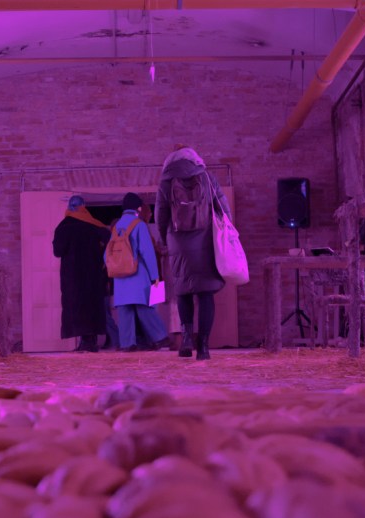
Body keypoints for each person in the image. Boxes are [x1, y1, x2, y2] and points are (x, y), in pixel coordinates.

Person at [154, 146, 231, 360]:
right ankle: (203, 347)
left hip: (178, 243)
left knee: (183, 292)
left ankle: (187, 339)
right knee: (206, 293)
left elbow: (160, 215)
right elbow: (223, 208)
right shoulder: (207, 178)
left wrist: (164, 240)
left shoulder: (166, 182)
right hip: (205, 241)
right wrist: (227, 234)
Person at [109, 192, 169, 353]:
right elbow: (147, 252)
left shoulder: (116, 227)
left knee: (124, 311)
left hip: (119, 276)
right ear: (138, 208)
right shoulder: (139, 225)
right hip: (137, 274)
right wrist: (155, 276)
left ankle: (127, 343)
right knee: (144, 306)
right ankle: (160, 337)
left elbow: (107, 254)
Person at [52, 195, 111, 352]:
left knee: (76, 307)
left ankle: (85, 342)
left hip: (72, 276)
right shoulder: (94, 225)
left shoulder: (63, 227)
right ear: (84, 206)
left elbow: (57, 251)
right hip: (93, 273)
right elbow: (109, 241)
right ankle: (90, 341)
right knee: (92, 305)